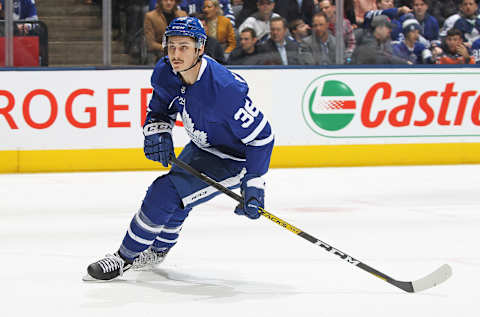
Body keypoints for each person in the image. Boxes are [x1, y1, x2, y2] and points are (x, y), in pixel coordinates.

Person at [84, 16, 274, 281]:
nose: (175, 54)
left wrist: (254, 183)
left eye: (184, 47)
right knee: (179, 199)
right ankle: (159, 250)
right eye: (171, 46)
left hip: (232, 160)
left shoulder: (225, 90)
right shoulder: (165, 72)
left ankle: (123, 259)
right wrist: (159, 132)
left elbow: (262, 138)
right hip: (202, 146)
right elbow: (160, 109)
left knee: (164, 192)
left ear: (200, 49)